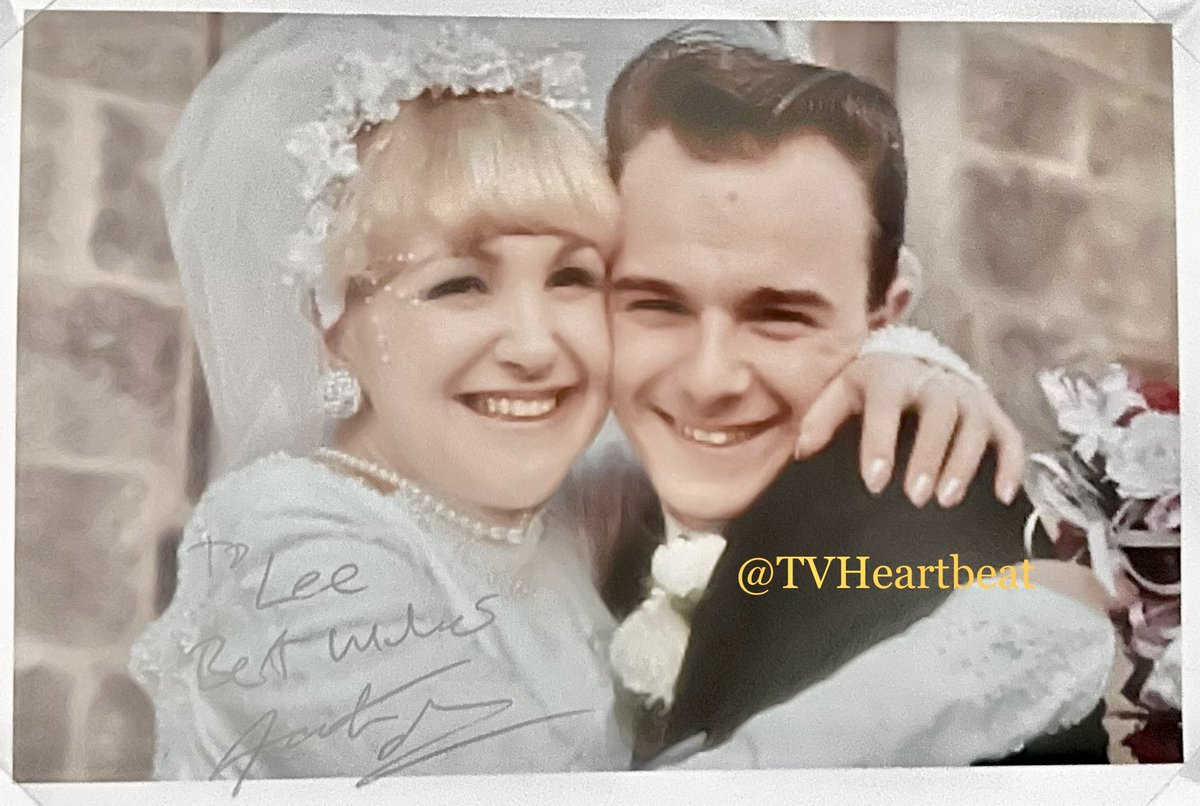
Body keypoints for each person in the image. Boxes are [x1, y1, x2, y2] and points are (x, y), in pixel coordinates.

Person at [129, 16, 1036, 787]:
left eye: (573, 278)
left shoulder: (551, 509)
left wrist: (885, 360)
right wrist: (992, 658)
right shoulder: (282, 541)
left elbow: (707, 421)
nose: (534, 346)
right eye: (458, 287)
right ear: (333, 326)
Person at [601, 34, 1116, 767]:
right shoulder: (575, 509)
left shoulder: (920, 508)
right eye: (655, 304)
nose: (709, 377)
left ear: (886, 314)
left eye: (779, 315)